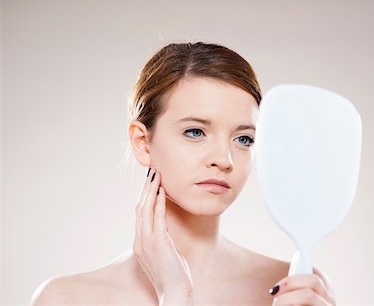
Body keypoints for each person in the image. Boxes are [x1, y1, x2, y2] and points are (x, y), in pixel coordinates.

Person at [31, 42, 336, 305]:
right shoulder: (68, 299)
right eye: (195, 131)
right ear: (142, 142)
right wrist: (175, 294)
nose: (224, 159)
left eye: (244, 139)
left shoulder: (295, 287)